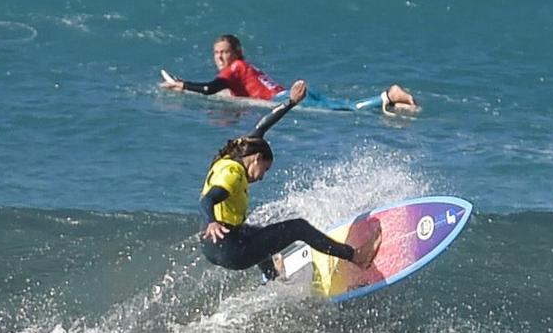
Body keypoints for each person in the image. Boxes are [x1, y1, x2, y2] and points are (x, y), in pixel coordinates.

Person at [199, 83, 380, 279]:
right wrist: (212, 222)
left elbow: (261, 127)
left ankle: (273, 277)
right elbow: (207, 200)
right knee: (298, 227)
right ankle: (356, 256)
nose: (261, 177)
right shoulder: (233, 173)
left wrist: (291, 102)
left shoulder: (231, 156)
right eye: (264, 169)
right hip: (230, 250)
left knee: (257, 233)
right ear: (257, 158)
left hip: (211, 247)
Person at [160, 33, 418, 112]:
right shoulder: (246, 67)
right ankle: (392, 104)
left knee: (347, 110)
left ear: (236, 52)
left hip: (285, 99)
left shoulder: (234, 68)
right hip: (293, 93)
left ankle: (389, 95)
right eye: (216, 53)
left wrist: (181, 86)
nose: (220, 57)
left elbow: (209, 89)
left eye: (224, 52)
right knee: (344, 105)